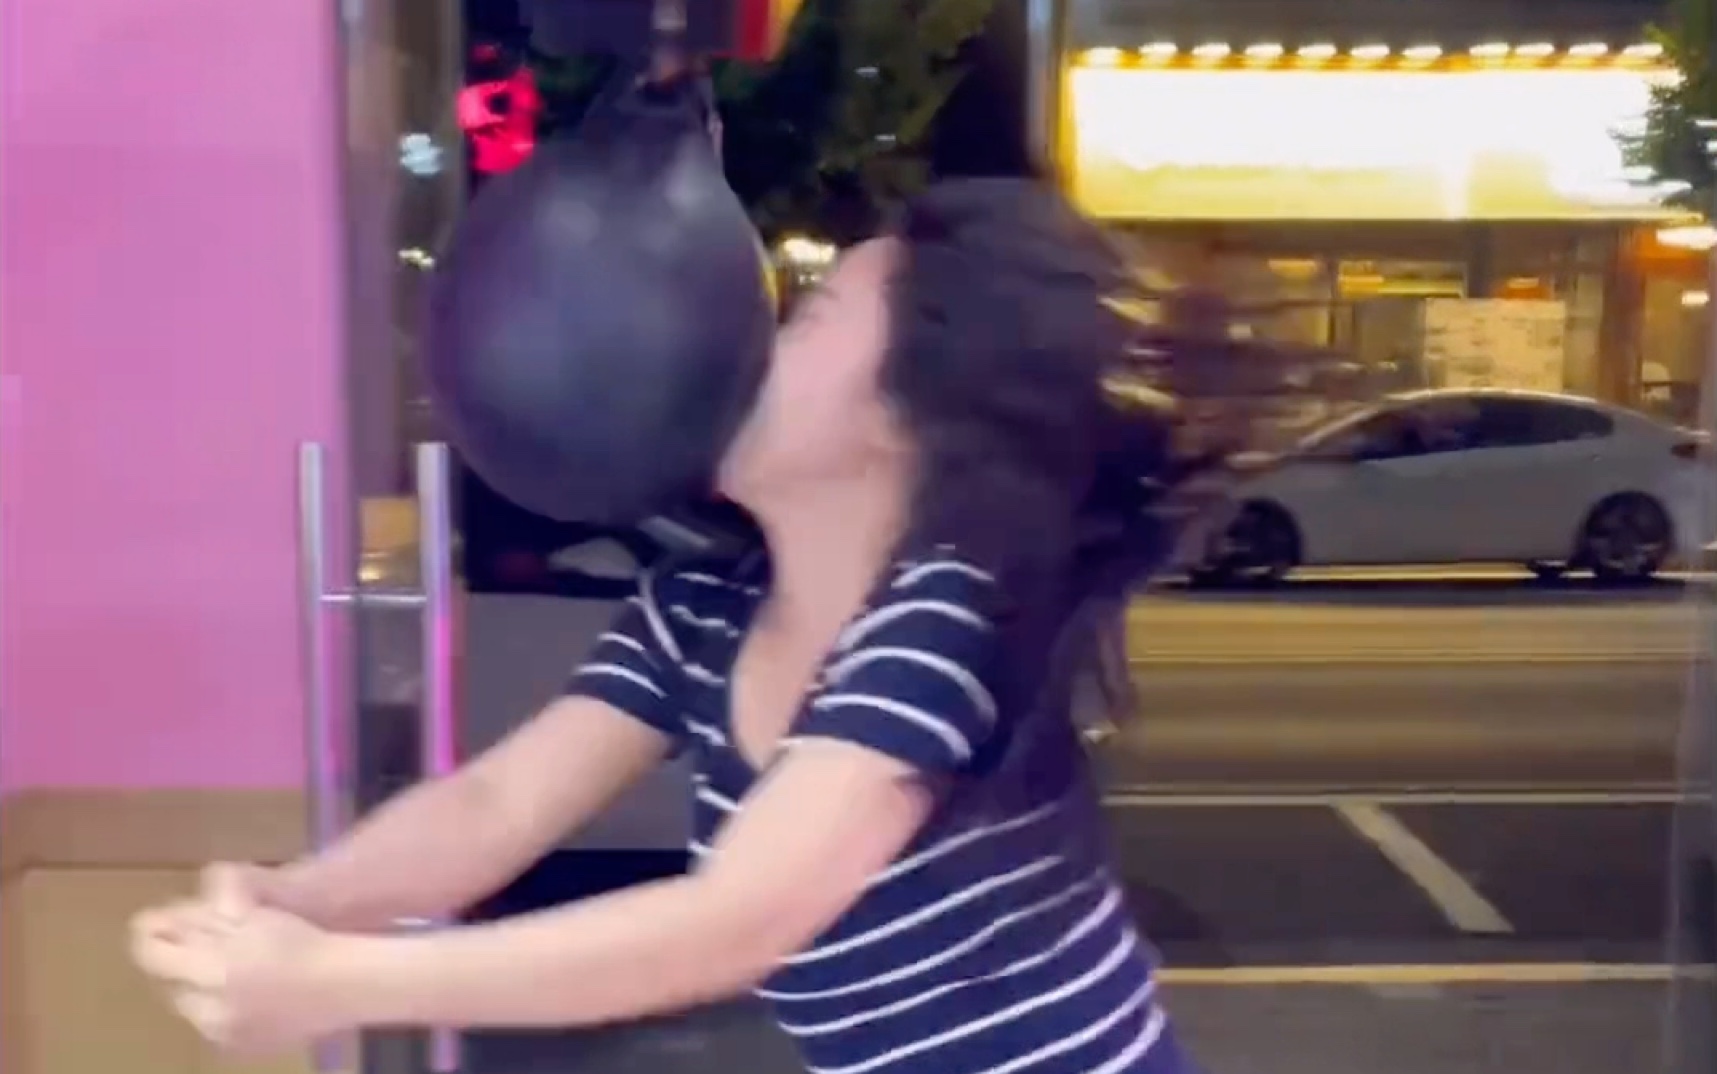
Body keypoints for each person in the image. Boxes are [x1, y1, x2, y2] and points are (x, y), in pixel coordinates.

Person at [131, 178, 1208, 1073]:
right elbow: (493, 804)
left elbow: (733, 923)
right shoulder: (702, 610)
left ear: (905, 416)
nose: (744, 344)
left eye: (809, 316)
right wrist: (300, 900)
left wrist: (339, 984)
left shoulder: (945, 621)